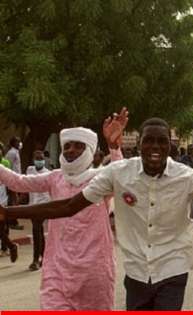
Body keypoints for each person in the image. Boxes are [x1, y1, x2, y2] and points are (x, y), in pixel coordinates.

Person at [0, 117, 193, 311]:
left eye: (161, 142)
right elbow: (67, 206)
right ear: (139, 145)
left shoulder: (188, 177)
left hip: (172, 269)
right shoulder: (118, 173)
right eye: (148, 141)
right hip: (137, 271)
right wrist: (7, 211)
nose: (154, 147)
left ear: (170, 146)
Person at [0, 109, 128, 310]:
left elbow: (121, 175)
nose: (71, 150)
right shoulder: (55, 178)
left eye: (78, 146)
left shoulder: (100, 179)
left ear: (90, 151)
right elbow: (18, 182)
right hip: (57, 270)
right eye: (67, 146)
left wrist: (113, 145)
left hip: (94, 272)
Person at [26, 150, 51, 271]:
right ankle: (45, 257)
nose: (39, 160)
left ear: (44, 160)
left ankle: (35, 260)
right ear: (33, 159)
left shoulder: (48, 173)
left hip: (43, 205)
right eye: (37, 158)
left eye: (41, 159)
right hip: (32, 205)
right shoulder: (29, 170)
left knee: (36, 229)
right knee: (39, 231)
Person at [0, 144, 16, 262]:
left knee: (1, 227)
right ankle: (9, 246)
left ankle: (9, 246)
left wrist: (12, 199)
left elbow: (10, 182)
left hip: (2, 201)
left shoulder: (5, 164)